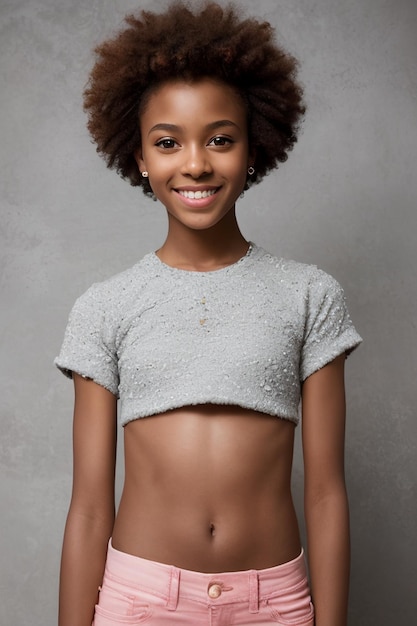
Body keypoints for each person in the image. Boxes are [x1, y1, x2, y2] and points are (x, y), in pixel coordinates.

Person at [55, 2, 362, 625]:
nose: (195, 163)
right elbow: (89, 508)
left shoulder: (309, 295)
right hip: (140, 602)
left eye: (220, 139)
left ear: (254, 149)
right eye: (168, 143)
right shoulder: (105, 307)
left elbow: (327, 495)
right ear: (139, 157)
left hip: (273, 605)